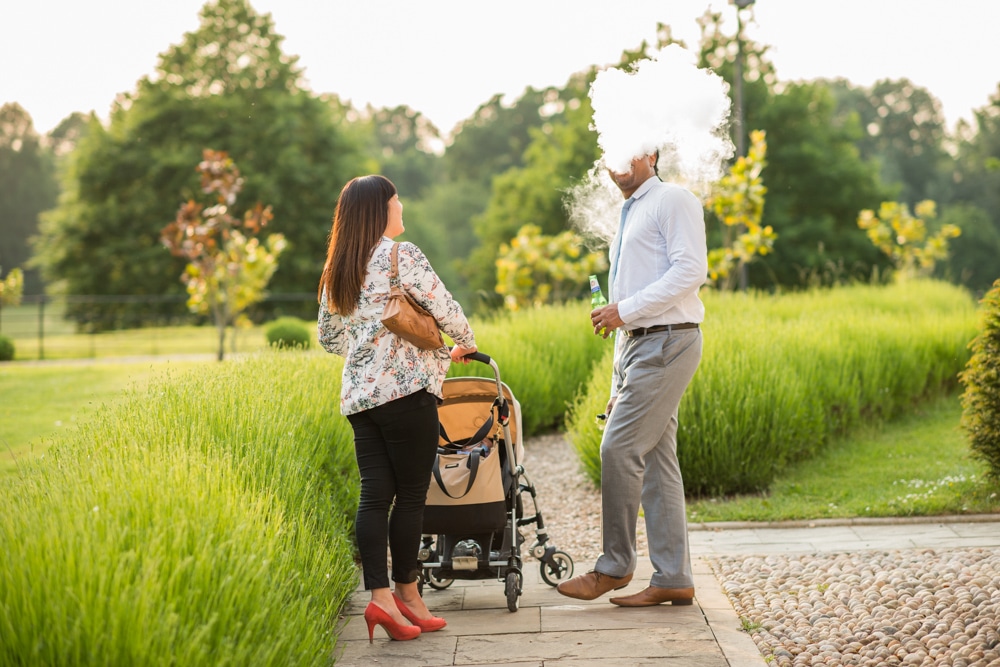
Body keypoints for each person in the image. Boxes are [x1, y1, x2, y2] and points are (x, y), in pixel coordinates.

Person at [317, 174, 477, 641]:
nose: (401, 205)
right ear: (379, 210)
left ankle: (382, 600)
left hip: (360, 400)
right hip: (406, 394)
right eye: (395, 200)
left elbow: (330, 340)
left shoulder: (335, 269)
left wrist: (369, 340)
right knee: (409, 497)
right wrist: (464, 343)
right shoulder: (399, 255)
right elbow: (444, 308)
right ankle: (408, 594)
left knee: (374, 497)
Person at [556, 152, 707, 607]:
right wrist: (621, 331)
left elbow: (689, 270)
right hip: (639, 344)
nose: (617, 162)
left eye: (630, 150)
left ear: (653, 155)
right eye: (609, 153)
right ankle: (673, 578)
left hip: (666, 342)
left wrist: (624, 310)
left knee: (618, 448)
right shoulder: (631, 209)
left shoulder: (672, 199)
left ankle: (615, 566)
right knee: (658, 465)